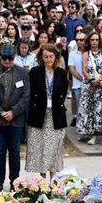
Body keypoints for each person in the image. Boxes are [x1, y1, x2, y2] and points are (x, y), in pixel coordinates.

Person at [0, 43, 29, 190]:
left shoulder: (22, 72)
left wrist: (14, 112)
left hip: (16, 119)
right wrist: (0, 112)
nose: (8, 61)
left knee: (15, 153)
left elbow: (25, 96)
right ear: (0, 57)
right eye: (4, 58)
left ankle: (15, 182)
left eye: (10, 58)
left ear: (14, 57)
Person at [26, 43, 69, 179]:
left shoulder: (62, 73)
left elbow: (63, 91)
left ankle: (53, 179)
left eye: (51, 56)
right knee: (39, 147)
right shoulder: (35, 72)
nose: (48, 59)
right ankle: (42, 180)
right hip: (39, 114)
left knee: (54, 148)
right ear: (41, 57)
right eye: (45, 57)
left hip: (56, 114)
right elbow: (31, 93)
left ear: (56, 57)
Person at [76, 31, 102, 145]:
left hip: (101, 85)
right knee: (89, 110)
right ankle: (91, 134)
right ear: (89, 42)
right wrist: (91, 80)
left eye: (96, 40)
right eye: (92, 40)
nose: (94, 42)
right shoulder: (85, 53)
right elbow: (84, 69)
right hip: (88, 85)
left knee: (100, 110)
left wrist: (98, 80)